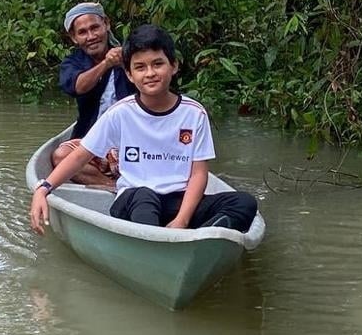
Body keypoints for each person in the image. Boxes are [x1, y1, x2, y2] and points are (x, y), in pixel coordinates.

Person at [31, 24, 257, 235]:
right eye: (140, 67)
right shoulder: (120, 113)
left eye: (157, 64)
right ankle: (157, 242)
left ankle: (192, 240)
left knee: (244, 203)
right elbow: (80, 156)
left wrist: (182, 220)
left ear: (174, 66)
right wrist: (44, 188)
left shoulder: (194, 113)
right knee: (144, 196)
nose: (150, 73)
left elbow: (198, 173)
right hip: (132, 199)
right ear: (129, 74)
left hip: (175, 200)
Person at [51, 1, 136, 189]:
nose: (91, 36)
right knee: (60, 156)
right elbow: (77, 86)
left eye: (95, 28)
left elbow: (152, 88)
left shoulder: (131, 55)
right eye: (82, 32)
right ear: (74, 37)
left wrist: (126, 64)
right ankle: (115, 188)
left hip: (134, 141)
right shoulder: (72, 62)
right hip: (93, 142)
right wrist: (106, 64)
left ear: (106, 24)